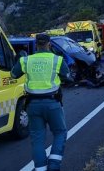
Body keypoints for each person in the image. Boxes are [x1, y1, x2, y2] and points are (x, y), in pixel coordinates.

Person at [11, 33, 71, 171]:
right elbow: (68, 77)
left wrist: (19, 58)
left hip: (32, 105)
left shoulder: (26, 60)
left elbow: (14, 74)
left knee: (37, 139)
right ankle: (54, 166)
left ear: (36, 45)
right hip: (52, 103)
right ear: (49, 44)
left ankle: (40, 169)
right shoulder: (57, 60)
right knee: (60, 132)